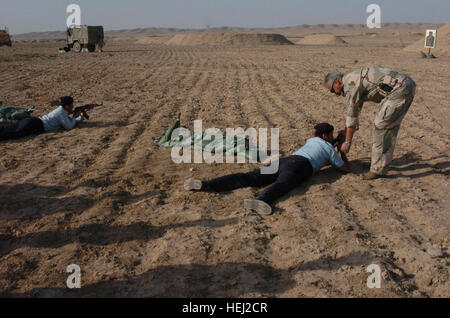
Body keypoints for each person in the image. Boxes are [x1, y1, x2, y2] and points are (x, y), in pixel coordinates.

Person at [184, 123, 349, 216]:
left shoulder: (312, 140)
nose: (333, 137)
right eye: (332, 135)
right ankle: (261, 200)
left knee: (250, 177)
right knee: (283, 184)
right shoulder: (328, 147)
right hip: (301, 166)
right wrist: (341, 150)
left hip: (286, 160)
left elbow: (322, 160)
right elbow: (342, 168)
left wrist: (335, 144)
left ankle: (207, 184)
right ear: (326, 136)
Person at [324, 66, 416, 180]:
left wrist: (347, 142)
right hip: (404, 86)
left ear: (337, 82)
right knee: (387, 128)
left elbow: (352, 118)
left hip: (400, 89)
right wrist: (344, 129)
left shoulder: (350, 86)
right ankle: (379, 165)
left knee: (381, 127)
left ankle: (377, 170)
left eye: (332, 90)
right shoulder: (351, 79)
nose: (334, 93)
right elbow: (354, 111)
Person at [0, 96, 92, 141]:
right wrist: (78, 118)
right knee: (13, 134)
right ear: (67, 106)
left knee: (9, 129)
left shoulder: (62, 110)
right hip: (36, 124)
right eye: (71, 104)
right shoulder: (61, 112)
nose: (73, 106)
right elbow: (68, 126)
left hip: (34, 122)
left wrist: (74, 117)